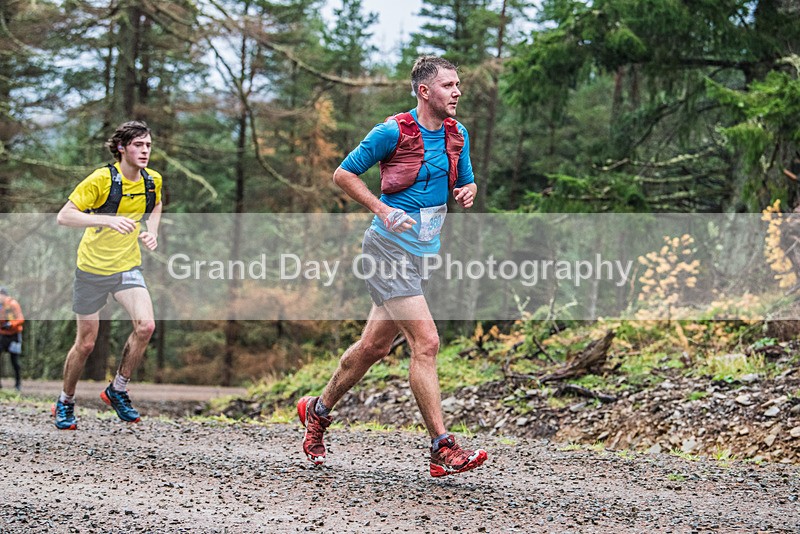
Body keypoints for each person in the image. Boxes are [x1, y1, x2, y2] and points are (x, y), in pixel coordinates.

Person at [297, 56, 487, 477]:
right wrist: (381, 208)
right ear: (425, 91)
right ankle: (442, 447)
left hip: (421, 253)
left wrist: (468, 190)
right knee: (427, 342)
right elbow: (343, 174)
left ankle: (317, 410)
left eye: (459, 85)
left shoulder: (458, 134)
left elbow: (465, 180)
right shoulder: (392, 131)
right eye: (449, 86)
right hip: (385, 250)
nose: (457, 92)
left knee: (374, 348)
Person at [52, 120, 162, 430]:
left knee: (146, 326)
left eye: (148, 146)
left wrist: (151, 231)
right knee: (86, 344)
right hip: (91, 271)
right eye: (138, 145)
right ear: (121, 148)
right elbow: (65, 216)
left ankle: (118, 389)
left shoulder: (152, 181)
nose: (145, 151)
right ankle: (65, 401)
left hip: (127, 268)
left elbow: (156, 205)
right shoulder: (101, 180)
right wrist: (107, 220)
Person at [0, 287, 25, 391]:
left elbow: (21, 319)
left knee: (14, 360)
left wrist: (11, 324)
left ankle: (18, 384)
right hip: (2, 335)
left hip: (14, 335)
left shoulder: (13, 304)